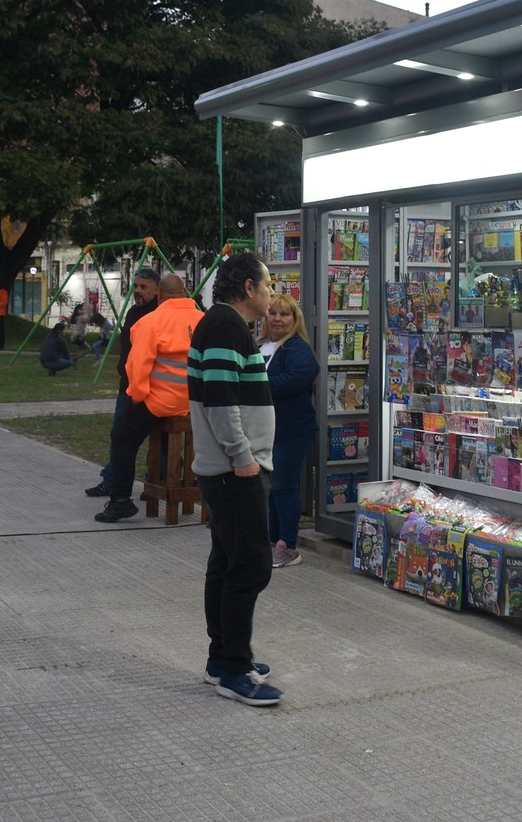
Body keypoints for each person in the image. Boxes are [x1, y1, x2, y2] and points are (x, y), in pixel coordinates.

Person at [188, 251, 278, 706]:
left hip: (228, 469)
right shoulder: (226, 326)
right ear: (247, 287)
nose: (271, 293)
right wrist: (243, 458)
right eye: (267, 284)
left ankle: (222, 657)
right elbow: (220, 402)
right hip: (233, 470)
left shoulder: (224, 325)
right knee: (250, 565)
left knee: (226, 563)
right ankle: (232, 669)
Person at [95, 273, 202, 523]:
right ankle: (185, 486)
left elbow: (138, 367)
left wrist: (136, 396)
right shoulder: (203, 320)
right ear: (185, 294)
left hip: (160, 402)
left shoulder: (151, 321)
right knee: (163, 439)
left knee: (122, 436)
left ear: (160, 295)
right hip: (194, 403)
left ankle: (120, 500)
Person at [83, 268, 160, 498]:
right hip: (127, 385)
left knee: (153, 439)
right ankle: (112, 479)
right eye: (136, 286)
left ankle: (155, 483)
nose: (137, 291)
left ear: (157, 290)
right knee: (120, 435)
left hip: (149, 388)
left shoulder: (158, 314)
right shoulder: (134, 311)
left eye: (143, 287)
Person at [259, 291, 319, 569]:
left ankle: (288, 546)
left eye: (284, 314)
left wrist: (258, 388)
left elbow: (300, 377)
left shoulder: (297, 347)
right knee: (272, 489)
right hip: (266, 430)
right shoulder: (260, 345)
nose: (277, 319)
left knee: (283, 486)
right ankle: (272, 541)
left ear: (295, 319)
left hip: (291, 430)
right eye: (272, 313)